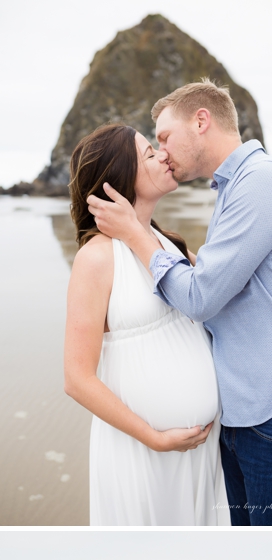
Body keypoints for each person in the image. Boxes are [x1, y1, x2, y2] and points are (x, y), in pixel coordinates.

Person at [86, 80, 272, 526]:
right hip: (244, 419)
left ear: (201, 121)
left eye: (165, 137)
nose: (163, 152)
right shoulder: (230, 192)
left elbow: (200, 297)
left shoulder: (265, 181)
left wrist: (136, 234)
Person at [63, 124, 230, 525]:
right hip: (141, 453)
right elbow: (76, 379)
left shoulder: (169, 245)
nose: (163, 155)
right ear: (118, 178)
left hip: (203, 451)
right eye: (149, 154)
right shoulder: (97, 258)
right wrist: (154, 438)